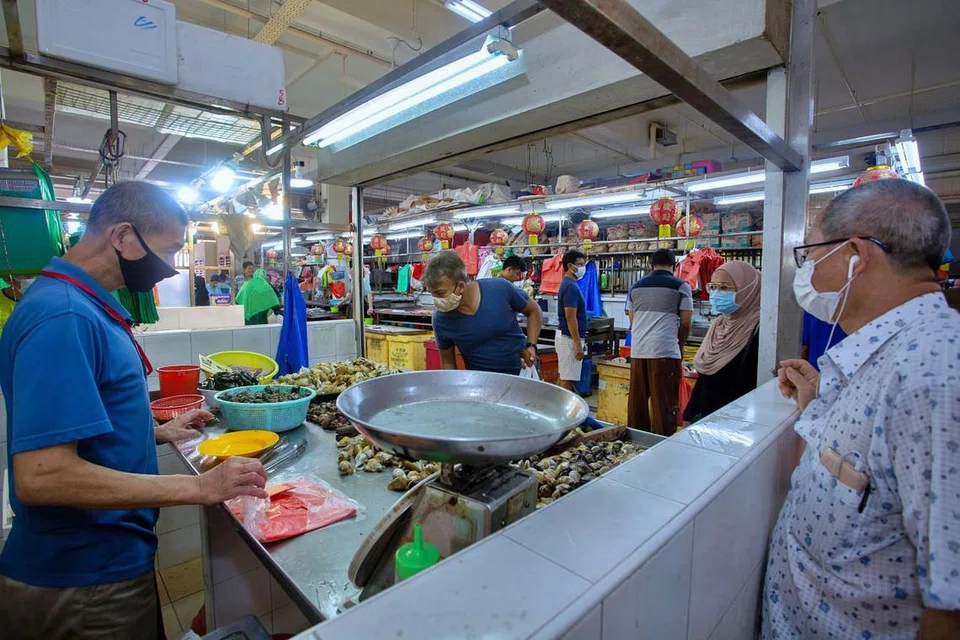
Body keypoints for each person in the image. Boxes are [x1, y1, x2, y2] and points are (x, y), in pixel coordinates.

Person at [0, 181, 268, 640]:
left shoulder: (83, 305)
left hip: (107, 565)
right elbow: (42, 475)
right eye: (165, 251)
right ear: (123, 237)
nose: (167, 269)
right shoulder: (65, 316)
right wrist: (199, 487)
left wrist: (151, 432)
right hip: (86, 582)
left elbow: (86, 417)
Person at [763, 179, 960, 640]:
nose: (806, 270)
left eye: (810, 253)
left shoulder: (934, 374)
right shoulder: (883, 354)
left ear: (856, 254)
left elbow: (951, 607)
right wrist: (818, 405)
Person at [425, 250, 542, 375]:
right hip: (480, 385)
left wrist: (531, 345)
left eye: (440, 294)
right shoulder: (441, 320)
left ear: (461, 286)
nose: (437, 300)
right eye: (432, 294)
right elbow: (448, 362)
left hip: (522, 374)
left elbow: (534, 311)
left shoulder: (499, 289)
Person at [683, 261, 760, 423]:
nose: (717, 293)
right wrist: (690, 413)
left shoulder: (760, 329)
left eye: (724, 288)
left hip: (739, 423)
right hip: (706, 417)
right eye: (713, 287)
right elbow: (705, 378)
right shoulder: (718, 324)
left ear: (749, 289)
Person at [625, 248, 692, 435]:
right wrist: (679, 344)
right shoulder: (681, 286)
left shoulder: (636, 287)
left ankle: (636, 443)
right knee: (664, 404)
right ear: (674, 265)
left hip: (638, 351)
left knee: (637, 404)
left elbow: (633, 319)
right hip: (664, 351)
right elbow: (686, 322)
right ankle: (662, 446)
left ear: (651, 265)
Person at [556, 250, 587, 392]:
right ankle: (560, 412)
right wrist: (577, 343)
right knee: (567, 380)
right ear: (570, 265)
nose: (582, 268)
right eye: (580, 264)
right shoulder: (570, 287)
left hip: (568, 337)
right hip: (569, 339)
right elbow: (570, 317)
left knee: (565, 376)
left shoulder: (570, 284)